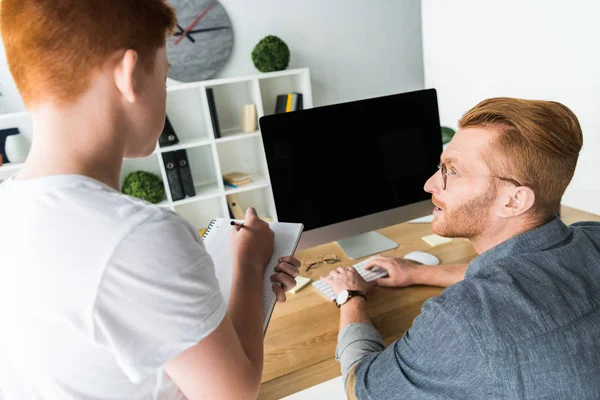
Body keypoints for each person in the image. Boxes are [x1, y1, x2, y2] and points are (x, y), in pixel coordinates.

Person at [0, 1, 300, 399]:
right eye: (165, 76)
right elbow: (234, 393)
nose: (164, 91)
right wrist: (248, 263)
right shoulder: (138, 235)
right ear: (127, 75)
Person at [323, 97, 600, 399]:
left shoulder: (463, 317)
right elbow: (528, 277)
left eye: (451, 172)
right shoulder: (592, 238)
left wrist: (350, 296)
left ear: (514, 200)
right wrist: (422, 273)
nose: (430, 184)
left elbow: (363, 389)